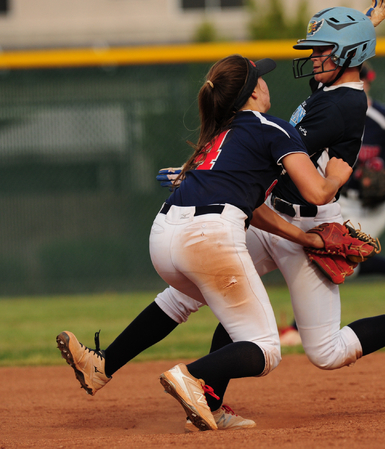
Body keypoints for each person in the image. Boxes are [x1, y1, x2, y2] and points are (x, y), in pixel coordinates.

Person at [159, 4, 385, 429]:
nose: (314, 58)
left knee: (327, 351)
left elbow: (275, 164)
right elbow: (336, 63)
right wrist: (368, 24)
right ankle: (209, 401)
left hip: (309, 221)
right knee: (234, 294)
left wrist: (205, 175)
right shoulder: (330, 82)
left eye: (322, 51)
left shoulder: (343, 104)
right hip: (279, 212)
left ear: (347, 56)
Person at [56, 54, 353, 432]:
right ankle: (194, 377)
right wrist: (336, 178)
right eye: (259, 78)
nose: (265, 82)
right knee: (266, 349)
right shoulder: (272, 128)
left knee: (184, 300)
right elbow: (316, 192)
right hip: (209, 237)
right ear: (253, 91)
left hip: (164, 235)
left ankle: (102, 366)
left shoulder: (220, 134)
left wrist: (300, 236)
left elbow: (254, 206)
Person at [279, 62, 385, 346]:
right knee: (330, 257)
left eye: (365, 80)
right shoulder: (337, 111)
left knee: (337, 259)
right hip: (342, 199)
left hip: (372, 208)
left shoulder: (383, 118)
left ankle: (298, 329)